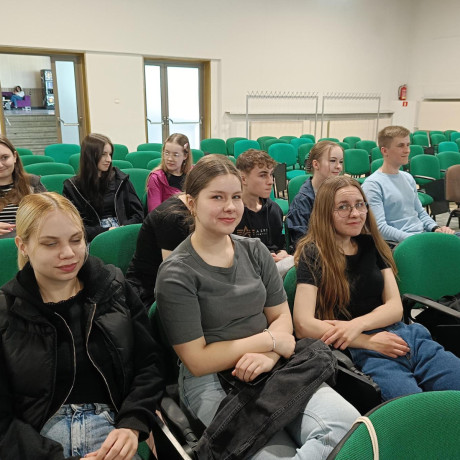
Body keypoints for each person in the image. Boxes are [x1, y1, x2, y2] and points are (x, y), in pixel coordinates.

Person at [156, 155, 359, 460]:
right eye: (217, 197)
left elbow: (280, 316)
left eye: (236, 197)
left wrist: (270, 355)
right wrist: (271, 341)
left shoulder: (255, 251)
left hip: (270, 364)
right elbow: (197, 359)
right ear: (192, 203)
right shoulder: (177, 272)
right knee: (276, 453)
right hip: (212, 377)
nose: (230, 206)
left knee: (347, 426)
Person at [0, 192, 164, 459]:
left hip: (112, 427)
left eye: (76, 240)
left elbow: (149, 364)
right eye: (50, 244)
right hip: (37, 440)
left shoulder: (114, 288)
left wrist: (133, 423)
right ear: (23, 245)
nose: (68, 253)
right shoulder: (5, 312)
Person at [293, 175, 460, 402]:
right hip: (361, 350)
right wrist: (366, 340)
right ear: (325, 213)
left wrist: (356, 325)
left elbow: (394, 308)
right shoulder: (313, 253)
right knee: (414, 410)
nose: (355, 213)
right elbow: (303, 324)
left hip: (405, 336)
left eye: (359, 205)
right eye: (343, 207)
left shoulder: (371, 244)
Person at [362, 125, 457, 243]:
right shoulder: (373, 184)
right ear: (384, 151)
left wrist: (436, 228)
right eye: (401, 146)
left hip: (420, 235)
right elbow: (379, 228)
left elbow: (420, 213)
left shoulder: (407, 178)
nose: (407, 150)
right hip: (401, 243)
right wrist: (414, 240)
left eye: (408, 145)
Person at [63, 133, 144, 242]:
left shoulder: (120, 179)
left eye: (110, 154)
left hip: (124, 232)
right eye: (103, 154)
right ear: (90, 156)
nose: (109, 159)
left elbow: (138, 215)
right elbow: (74, 226)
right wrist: (105, 231)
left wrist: (123, 229)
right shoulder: (72, 187)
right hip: (94, 238)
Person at [126, 193, 191, 309]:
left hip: (181, 287)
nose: (225, 207)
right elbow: (174, 282)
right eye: (217, 197)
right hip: (148, 293)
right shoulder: (172, 218)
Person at [234, 149, 293, 275]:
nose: (270, 181)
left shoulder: (274, 210)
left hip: (271, 267)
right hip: (241, 269)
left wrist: (282, 253)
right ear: (243, 179)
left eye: (271, 174)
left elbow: (279, 245)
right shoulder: (232, 212)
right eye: (263, 175)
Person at [286, 141, 343, 248]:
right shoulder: (302, 201)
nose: (339, 166)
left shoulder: (342, 193)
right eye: (332, 161)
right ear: (316, 164)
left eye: (341, 162)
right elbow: (301, 241)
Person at [0, 135, 46, 239]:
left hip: (30, 242)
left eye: (5, 157)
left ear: (14, 156)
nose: (0, 165)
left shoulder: (32, 183)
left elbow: (49, 214)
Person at [147, 133, 193, 212]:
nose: (170, 159)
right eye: (167, 153)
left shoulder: (193, 173)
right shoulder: (156, 178)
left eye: (175, 155)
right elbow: (155, 213)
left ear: (185, 156)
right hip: (167, 218)